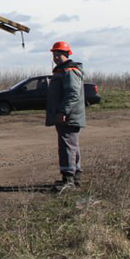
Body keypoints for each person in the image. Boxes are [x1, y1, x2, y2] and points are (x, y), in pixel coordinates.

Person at [45, 41, 86, 192]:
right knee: (71, 145)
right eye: (54, 54)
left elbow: (72, 94)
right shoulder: (62, 70)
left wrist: (63, 111)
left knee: (67, 146)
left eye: (58, 54)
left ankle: (69, 179)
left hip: (68, 116)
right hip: (67, 115)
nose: (55, 57)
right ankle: (74, 177)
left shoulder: (69, 70)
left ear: (66, 54)